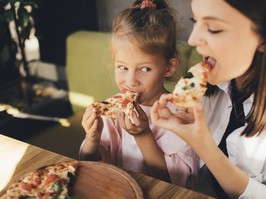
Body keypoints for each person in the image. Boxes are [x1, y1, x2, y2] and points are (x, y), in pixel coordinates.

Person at [151, 0, 266, 198]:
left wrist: (204, 147)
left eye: (213, 28)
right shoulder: (205, 91)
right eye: (195, 21)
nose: (192, 40)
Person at [79, 0, 199, 188]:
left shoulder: (181, 115)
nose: (131, 80)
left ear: (169, 67)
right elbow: (88, 163)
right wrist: (92, 139)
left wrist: (143, 135)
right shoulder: (112, 110)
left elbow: (174, 181)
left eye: (145, 69)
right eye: (123, 67)